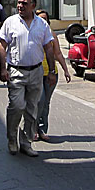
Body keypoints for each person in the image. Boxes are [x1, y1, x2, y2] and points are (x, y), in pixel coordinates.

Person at [0, 0, 55, 157]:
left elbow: (49, 48)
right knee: (17, 106)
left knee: (32, 109)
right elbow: (2, 46)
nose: (20, 6)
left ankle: (26, 142)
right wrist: (2, 68)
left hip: (36, 71)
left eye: (24, 3)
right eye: (19, 3)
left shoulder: (42, 25)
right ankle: (12, 138)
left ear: (33, 6)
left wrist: (51, 71)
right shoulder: (10, 22)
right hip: (16, 70)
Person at [34, 9, 71, 141]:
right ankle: (33, 128)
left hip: (50, 73)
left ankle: (42, 129)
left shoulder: (52, 34)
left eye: (45, 18)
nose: (43, 21)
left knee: (46, 103)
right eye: (40, 18)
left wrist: (66, 70)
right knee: (39, 101)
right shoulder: (33, 33)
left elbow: (58, 54)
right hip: (36, 73)